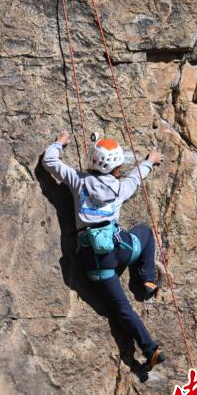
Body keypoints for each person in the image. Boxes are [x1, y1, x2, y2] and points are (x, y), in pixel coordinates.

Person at [43, 130, 166, 368]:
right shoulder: (120, 188)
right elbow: (135, 178)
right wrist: (149, 161)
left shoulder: (78, 180)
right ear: (117, 169)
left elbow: (49, 161)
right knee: (145, 232)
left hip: (97, 262)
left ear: (93, 160)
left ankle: (150, 349)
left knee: (121, 309)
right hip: (121, 248)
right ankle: (147, 279)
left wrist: (59, 143)